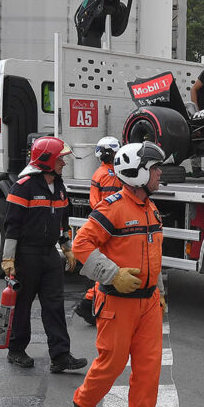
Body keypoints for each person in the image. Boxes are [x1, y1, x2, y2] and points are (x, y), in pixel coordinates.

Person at [71, 142, 167, 407]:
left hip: (148, 303)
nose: (160, 173)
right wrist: (112, 274)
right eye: (154, 168)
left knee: (149, 370)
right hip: (117, 302)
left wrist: (158, 291)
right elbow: (81, 245)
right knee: (111, 365)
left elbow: (154, 253)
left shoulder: (151, 208)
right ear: (137, 173)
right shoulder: (113, 208)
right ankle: (84, 402)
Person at [2, 136, 87, 372]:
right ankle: (16, 350)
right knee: (23, 304)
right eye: (61, 158)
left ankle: (60, 356)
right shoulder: (24, 186)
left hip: (50, 255)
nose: (64, 163)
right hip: (26, 255)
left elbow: (62, 222)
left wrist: (67, 248)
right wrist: (8, 258)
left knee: (54, 305)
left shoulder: (59, 187)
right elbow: (12, 225)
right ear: (48, 160)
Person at [75, 136, 123, 326]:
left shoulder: (106, 172)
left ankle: (89, 305)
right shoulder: (106, 174)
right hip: (107, 224)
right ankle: (88, 306)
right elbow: (103, 202)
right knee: (106, 266)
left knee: (105, 265)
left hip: (104, 222)